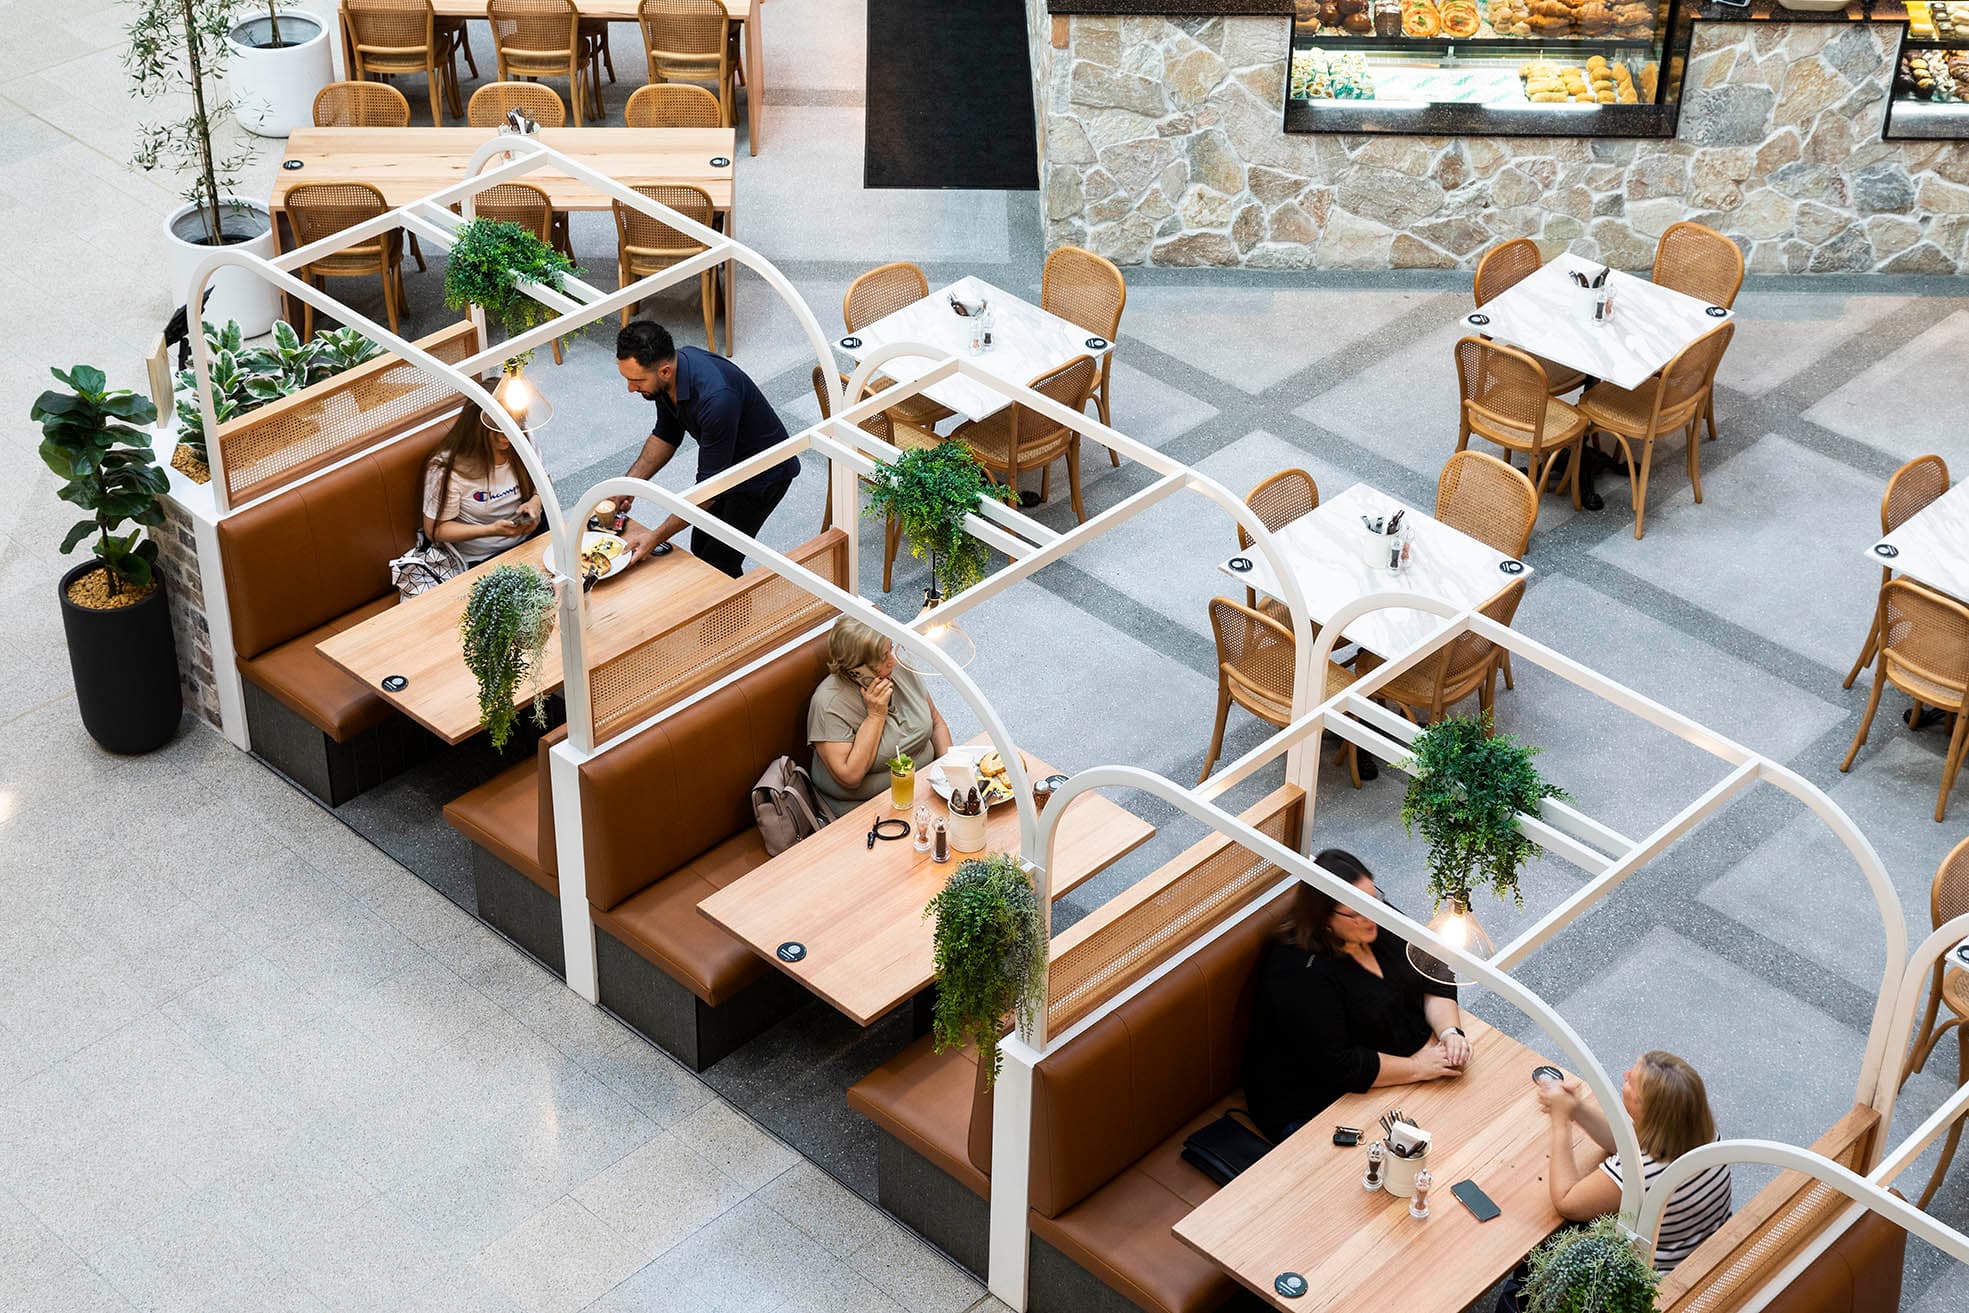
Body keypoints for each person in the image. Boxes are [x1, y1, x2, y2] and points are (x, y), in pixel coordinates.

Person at [1243, 850, 1472, 1142]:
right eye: (1356, 912)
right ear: (1324, 917)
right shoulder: (1298, 972)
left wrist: (1450, 1033)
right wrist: (1418, 1067)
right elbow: (1339, 1065)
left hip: (1395, 1068)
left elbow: (1434, 975)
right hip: (1312, 1102)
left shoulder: (1377, 919)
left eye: (1373, 900)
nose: (1371, 916)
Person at [612, 320, 799, 577]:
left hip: (763, 477)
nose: (630, 388)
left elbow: (709, 491)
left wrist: (655, 537)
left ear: (665, 371)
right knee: (700, 549)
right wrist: (626, 486)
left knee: (718, 563)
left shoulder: (716, 399)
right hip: (725, 467)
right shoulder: (668, 380)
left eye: (636, 380)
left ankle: (737, 616)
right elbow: (666, 435)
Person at [1537, 1051, 1732, 1273]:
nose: (1625, 1074)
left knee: (1536, 1253)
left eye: (1631, 1081)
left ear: (1643, 1108)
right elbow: (1625, 1142)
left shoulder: (1640, 1172)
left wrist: (1560, 1121)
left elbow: (1567, 1202)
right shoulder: (1700, 1133)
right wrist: (1576, 1109)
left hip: (1660, 1276)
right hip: (1700, 1248)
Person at [807, 616, 952, 819]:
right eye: (884, 657)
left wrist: (948, 772)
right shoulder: (828, 703)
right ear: (857, 668)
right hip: (866, 809)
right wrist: (876, 715)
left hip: (928, 787)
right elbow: (850, 777)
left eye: (890, 649)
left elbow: (937, 723)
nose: (893, 660)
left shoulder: (899, 666)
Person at [422, 406, 543, 566]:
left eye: (512, 427)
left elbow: (542, 480)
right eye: (497, 430)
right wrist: (490, 530)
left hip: (532, 537)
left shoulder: (522, 438)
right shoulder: (446, 470)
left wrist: (535, 502)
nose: (506, 436)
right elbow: (435, 530)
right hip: (483, 557)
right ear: (477, 428)